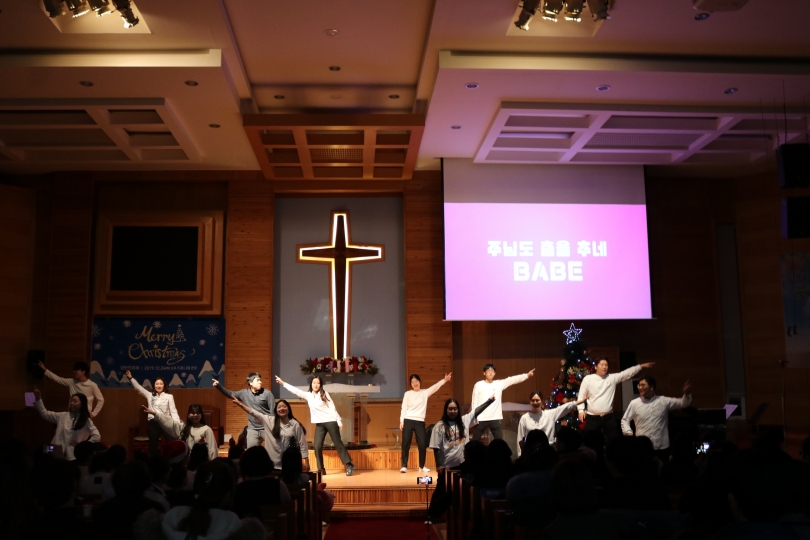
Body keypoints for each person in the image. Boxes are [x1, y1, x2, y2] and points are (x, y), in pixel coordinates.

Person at [275, 374, 356, 476]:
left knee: (337, 443)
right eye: (314, 383)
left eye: (318, 383)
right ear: (311, 384)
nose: (316, 385)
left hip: (330, 421)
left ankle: (349, 464)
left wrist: (339, 421)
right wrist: (283, 383)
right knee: (317, 446)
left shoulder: (324, 394)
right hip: (320, 424)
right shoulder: (308, 395)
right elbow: (295, 391)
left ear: (320, 385)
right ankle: (321, 469)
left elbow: (332, 408)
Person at [577, 357, 654, 442]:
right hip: (592, 417)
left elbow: (626, 373)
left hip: (608, 416)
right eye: (602, 365)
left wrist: (640, 366)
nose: (604, 367)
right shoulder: (588, 379)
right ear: (596, 367)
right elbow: (581, 395)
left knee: (613, 441)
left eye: (606, 365)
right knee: (590, 441)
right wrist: (580, 410)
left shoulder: (612, 378)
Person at [621, 376, 692, 459]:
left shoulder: (663, 401)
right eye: (639, 385)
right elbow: (625, 420)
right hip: (642, 446)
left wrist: (686, 394)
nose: (640, 388)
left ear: (651, 387)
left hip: (662, 447)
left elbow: (683, 403)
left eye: (643, 385)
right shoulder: (634, 403)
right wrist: (628, 433)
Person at [231, 396, 309, 472]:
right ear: (276, 411)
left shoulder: (295, 424)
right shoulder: (269, 421)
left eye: (284, 406)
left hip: (289, 463)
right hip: (272, 464)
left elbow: (302, 442)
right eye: (279, 407)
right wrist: (240, 404)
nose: (281, 408)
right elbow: (254, 412)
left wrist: (306, 460)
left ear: (288, 409)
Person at [400, 372, 452, 473]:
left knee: (422, 444)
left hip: (420, 421)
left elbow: (435, 387)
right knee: (406, 443)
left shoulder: (424, 393)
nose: (415, 383)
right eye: (412, 382)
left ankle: (421, 466)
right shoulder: (407, 394)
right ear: (411, 384)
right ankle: (404, 466)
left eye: (416, 381)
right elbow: (404, 408)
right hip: (408, 420)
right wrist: (401, 421)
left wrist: (444, 380)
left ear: (420, 382)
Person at [429, 395, 495, 471]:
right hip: (446, 467)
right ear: (446, 410)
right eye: (450, 409)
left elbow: (476, 411)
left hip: (463, 465)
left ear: (458, 410)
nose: (453, 411)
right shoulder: (439, 426)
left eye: (455, 409)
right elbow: (436, 447)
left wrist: (489, 401)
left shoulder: (464, 420)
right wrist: (439, 465)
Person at [32, 387, 100, 460]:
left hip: (72, 455)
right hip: (55, 449)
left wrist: (81, 446)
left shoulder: (86, 420)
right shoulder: (63, 415)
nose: (72, 403)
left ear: (82, 404)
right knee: (41, 451)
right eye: (71, 401)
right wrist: (39, 399)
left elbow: (97, 436)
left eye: (75, 401)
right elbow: (45, 414)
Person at [470, 363, 535, 441]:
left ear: (495, 373)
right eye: (488, 370)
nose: (490, 372)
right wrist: (474, 416)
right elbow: (474, 401)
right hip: (481, 418)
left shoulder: (498, 384)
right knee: (474, 441)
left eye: (492, 371)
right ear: (484, 373)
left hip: (495, 418)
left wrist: (527, 375)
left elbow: (512, 380)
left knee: (500, 442)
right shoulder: (478, 385)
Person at [213, 372, 275, 449]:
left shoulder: (267, 393)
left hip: (267, 427)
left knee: (273, 450)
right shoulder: (244, 393)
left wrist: (273, 428)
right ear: (250, 382)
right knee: (251, 452)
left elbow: (273, 412)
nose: (260, 382)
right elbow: (230, 394)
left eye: (260, 380)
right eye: (258, 380)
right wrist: (218, 386)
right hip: (253, 428)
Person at [125, 371, 180, 456]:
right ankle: (153, 462)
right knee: (153, 447)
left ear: (164, 385)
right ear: (154, 385)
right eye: (157, 384)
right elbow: (139, 388)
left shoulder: (169, 396)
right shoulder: (150, 395)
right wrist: (130, 378)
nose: (159, 386)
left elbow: (173, 411)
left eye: (161, 384)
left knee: (172, 442)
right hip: (154, 423)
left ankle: (171, 461)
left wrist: (177, 424)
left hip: (166, 422)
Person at [516, 391, 586, 456]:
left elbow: (565, 407)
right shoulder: (524, 418)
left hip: (548, 452)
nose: (535, 402)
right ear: (530, 402)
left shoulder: (550, 414)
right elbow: (520, 437)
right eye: (532, 400)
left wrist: (580, 401)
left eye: (537, 400)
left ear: (542, 401)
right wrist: (520, 455)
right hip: (531, 453)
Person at [144, 403, 218, 461]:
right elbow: (170, 423)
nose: (195, 415)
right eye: (192, 413)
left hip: (201, 463)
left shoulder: (207, 430)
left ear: (201, 415)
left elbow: (212, 450)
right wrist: (155, 414)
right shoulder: (184, 428)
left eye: (198, 413)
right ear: (188, 415)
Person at [233, 446, 290, 519]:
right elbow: (288, 506)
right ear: (267, 463)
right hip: (275, 525)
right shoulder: (279, 485)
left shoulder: (237, 490)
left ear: (244, 464)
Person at [38, 360, 104, 418]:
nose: (74, 372)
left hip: (84, 415)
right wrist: (45, 370)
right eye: (74, 370)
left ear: (83, 372)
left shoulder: (92, 385)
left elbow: (101, 400)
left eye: (76, 370)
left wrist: (93, 414)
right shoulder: (72, 382)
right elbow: (58, 379)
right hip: (71, 414)